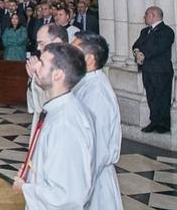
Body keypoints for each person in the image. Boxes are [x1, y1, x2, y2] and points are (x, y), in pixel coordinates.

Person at [13, 43, 93, 209]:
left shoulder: (66, 123)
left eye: (41, 63)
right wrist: (32, 171)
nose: (36, 66)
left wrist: (25, 187)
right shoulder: (57, 110)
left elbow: (66, 195)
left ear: (57, 75)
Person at [72, 31, 122, 210]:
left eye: (73, 51)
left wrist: (77, 183)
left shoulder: (96, 93)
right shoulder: (85, 83)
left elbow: (97, 147)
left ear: (90, 59)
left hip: (93, 182)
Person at [132, 6, 174, 133]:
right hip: (148, 70)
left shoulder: (167, 31)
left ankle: (163, 124)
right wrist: (137, 53)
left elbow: (159, 47)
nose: (144, 17)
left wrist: (143, 55)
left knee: (163, 97)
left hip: (161, 71)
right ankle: (154, 121)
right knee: (151, 97)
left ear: (154, 15)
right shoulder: (145, 31)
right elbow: (136, 45)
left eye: (146, 14)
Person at [25, 24, 68, 136]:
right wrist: (32, 79)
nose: (38, 48)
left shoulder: (68, 66)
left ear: (57, 41)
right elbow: (33, 106)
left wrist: (39, 79)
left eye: (41, 43)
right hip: (42, 123)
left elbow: (52, 103)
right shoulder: (43, 64)